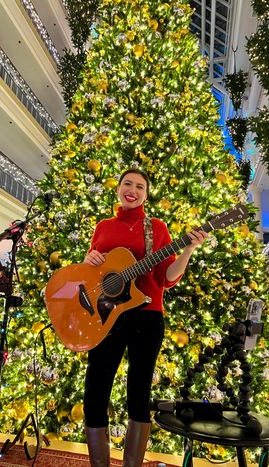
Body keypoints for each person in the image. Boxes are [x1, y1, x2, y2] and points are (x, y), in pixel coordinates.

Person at [83, 169, 208, 466]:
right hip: (106, 317)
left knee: (138, 394)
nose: (133, 190)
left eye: (140, 187)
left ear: (146, 195)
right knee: (95, 389)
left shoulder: (157, 227)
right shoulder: (103, 226)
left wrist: (188, 248)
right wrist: (88, 259)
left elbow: (166, 277)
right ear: (118, 189)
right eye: (128, 184)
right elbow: (93, 274)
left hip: (147, 316)